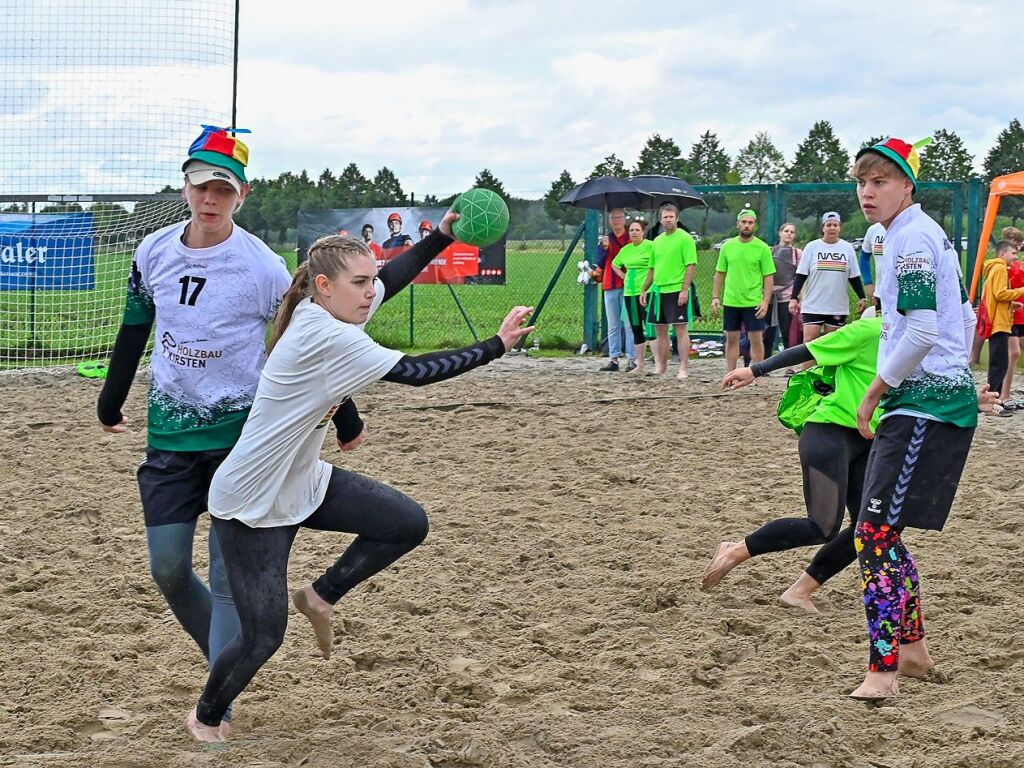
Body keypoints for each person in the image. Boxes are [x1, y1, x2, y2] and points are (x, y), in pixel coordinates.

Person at [185, 219, 535, 742]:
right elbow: (416, 373)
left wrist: (441, 235)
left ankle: (322, 594)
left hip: (303, 482)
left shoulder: (330, 303)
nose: (372, 292)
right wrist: (496, 345)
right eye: (360, 283)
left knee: (406, 523)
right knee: (263, 639)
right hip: (252, 501)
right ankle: (205, 716)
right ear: (324, 286)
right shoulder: (323, 332)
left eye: (372, 281)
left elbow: (393, 274)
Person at [96, 126, 293, 729]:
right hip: (170, 438)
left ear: (242, 195)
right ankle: (230, 664)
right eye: (201, 186)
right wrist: (111, 399)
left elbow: (297, 343)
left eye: (223, 190)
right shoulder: (152, 252)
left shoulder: (264, 267)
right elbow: (136, 329)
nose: (210, 199)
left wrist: (345, 414)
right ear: (184, 185)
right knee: (168, 568)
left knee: (229, 583)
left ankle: (218, 705)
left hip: (239, 438)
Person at [704, 310, 999, 613]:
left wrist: (973, 402)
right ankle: (736, 550)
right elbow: (809, 349)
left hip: (869, 442)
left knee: (869, 527)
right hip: (829, 433)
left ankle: (800, 591)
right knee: (821, 526)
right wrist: (756, 370)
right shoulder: (870, 331)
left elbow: (927, 394)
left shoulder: (919, 345)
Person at [849, 136, 978, 700]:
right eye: (861, 182)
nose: (867, 192)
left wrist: (875, 392)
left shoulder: (912, 242)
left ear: (908, 186)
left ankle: (884, 672)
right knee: (881, 534)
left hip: (926, 402)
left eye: (879, 181)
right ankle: (915, 652)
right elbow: (964, 317)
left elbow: (925, 330)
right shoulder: (904, 235)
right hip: (930, 398)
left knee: (873, 534)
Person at [789, 212, 867, 365]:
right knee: (810, 343)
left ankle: (827, 382)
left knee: (832, 345)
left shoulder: (847, 248)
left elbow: (854, 277)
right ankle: (806, 379)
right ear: (823, 228)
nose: (832, 228)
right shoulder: (812, 247)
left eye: (835, 225)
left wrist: (862, 297)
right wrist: (793, 297)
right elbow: (801, 275)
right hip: (813, 305)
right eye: (828, 225)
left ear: (840, 228)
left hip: (836, 306)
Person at [711, 209, 775, 372]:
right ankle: (731, 373)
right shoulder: (728, 246)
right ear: (738, 224)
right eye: (744, 222)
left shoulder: (762, 248)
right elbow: (720, 273)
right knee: (732, 339)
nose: (747, 225)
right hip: (732, 300)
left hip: (753, 301)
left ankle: (757, 373)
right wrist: (715, 297)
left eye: (750, 222)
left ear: (755, 225)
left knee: (756, 338)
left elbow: (768, 277)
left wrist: (765, 301)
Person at [639, 203, 697, 379]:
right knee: (660, 331)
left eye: (671, 217)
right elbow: (652, 268)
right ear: (661, 219)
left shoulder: (685, 239)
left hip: (676, 289)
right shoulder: (657, 241)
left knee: (680, 330)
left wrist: (684, 289)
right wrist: (644, 289)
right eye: (665, 217)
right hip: (658, 291)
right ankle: (661, 367)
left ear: (677, 218)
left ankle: (683, 369)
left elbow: (691, 265)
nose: (668, 220)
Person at [980, 239, 1024, 414]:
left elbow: (995, 296)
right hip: (999, 323)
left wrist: (1011, 304)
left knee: (1000, 363)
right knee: (999, 365)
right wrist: (1021, 291)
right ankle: (993, 401)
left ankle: (995, 400)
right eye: (1013, 253)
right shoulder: (999, 268)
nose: (1016, 256)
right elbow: (1000, 293)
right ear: (1002, 254)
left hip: (1000, 321)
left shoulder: (997, 268)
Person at [611, 218, 653, 373]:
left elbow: (656, 266)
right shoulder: (626, 250)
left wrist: (648, 287)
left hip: (646, 292)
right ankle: (639, 364)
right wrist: (624, 276)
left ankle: (658, 363)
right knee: (636, 327)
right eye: (631, 230)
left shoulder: (651, 246)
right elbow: (614, 264)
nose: (634, 233)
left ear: (643, 232)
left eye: (637, 230)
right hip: (630, 293)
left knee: (651, 327)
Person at [596, 208, 635, 371]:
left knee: (629, 324)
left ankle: (632, 358)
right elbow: (599, 262)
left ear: (624, 220)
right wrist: (604, 249)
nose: (616, 220)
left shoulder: (630, 239)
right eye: (613, 218)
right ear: (610, 221)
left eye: (619, 217)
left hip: (629, 286)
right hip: (610, 285)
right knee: (613, 325)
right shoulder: (606, 240)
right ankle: (614, 358)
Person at [763, 222, 802, 357]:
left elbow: (801, 277)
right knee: (767, 332)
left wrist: (798, 298)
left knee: (787, 332)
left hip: (787, 297)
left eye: (792, 232)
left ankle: (788, 363)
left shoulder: (797, 254)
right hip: (769, 297)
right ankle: (764, 362)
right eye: (786, 231)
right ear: (780, 233)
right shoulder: (769, 251)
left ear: (794, 236)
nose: (789, 234)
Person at [1001, 226, 1024, 408]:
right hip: (1012, 313)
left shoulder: (1016, 262)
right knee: (1014, 353)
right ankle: (1005, 394)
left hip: (1021, 312)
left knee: (1015, 353)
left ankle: (1007, 393)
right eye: (1014, 241)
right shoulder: (1004, 265)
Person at [860, 221, 886, 303]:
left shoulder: (910, 227)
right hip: (880, 294)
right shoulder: (874, 229)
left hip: (905, 296)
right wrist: (868, 283)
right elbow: (864, 258)